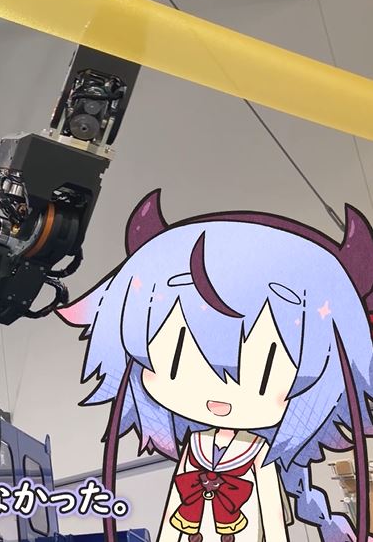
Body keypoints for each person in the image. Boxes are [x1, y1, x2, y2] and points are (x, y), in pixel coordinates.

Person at [57, 190, 373, 542]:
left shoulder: (259, 454)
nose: (218, 394)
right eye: (175, 362)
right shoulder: (194, 448)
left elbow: (270, 511)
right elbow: (176, 510)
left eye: (266, 373)